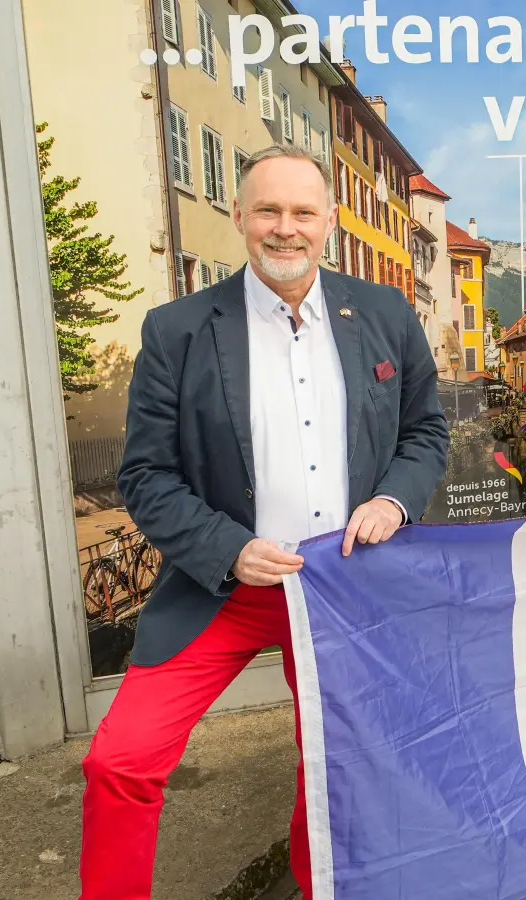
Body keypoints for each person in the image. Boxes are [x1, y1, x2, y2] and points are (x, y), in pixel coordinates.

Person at [79, 144, 449, 900]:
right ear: (240, 216)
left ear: (330, 224)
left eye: (303, 213)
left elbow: (424, 433)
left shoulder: (381, 313)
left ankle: (324, 888)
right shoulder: (177, 330)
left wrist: (392, 501)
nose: (286, 229)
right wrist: (229, 548)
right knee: (120, 760)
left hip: (344, 585)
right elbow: (146, 477)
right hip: (227, 586)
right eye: (269, 211)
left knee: (335, 759)